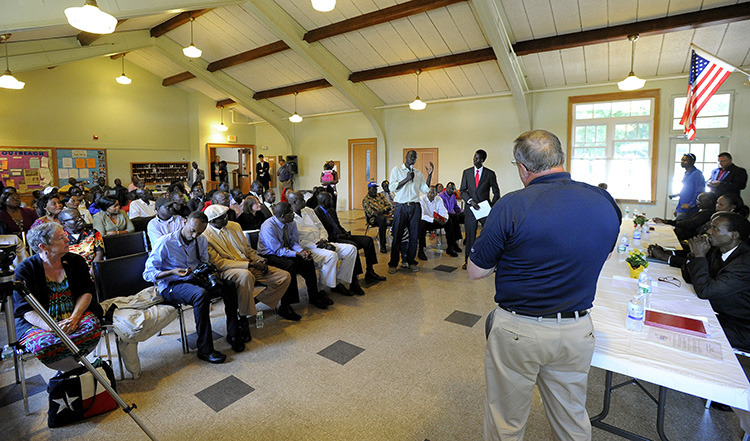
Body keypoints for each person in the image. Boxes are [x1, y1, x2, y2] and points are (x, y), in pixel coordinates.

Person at [468, 130, 621, 441]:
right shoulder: (603, 200)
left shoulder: (513, 205)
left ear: (523, 168)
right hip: (578, 329)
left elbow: (475, 270)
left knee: (506, 420)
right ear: (561, 159)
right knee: (572, 417)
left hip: (520, 330)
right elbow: (604, 253)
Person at [144, 211, 243, 363]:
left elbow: (203, 261)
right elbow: (147, 274)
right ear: (185, 223)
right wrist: (172, 272)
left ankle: (234, 333)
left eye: (200, 232)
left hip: (193, 279)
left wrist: (207, 271)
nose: (195, 235)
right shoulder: (165, 242)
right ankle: (205, 349)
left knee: (229, 286)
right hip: (171, 284)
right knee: (200, 294)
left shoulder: (201, 240)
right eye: (192, 230)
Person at [13, 223, 103, 371]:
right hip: (40, 323)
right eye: (61, 238)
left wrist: (74, 319)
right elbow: (25, 310)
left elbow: (86, 292)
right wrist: (53, 328)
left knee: (91, 330)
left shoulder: (76, 261)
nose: (67, 239)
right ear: (43, 247)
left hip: (74, 314)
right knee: (46, 345)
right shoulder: (25, 270)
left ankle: (73, 373)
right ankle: (81, 373)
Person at [203, 204, 292, 341]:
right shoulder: (205, 236)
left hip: (249, 263)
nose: (226, 219)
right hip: (229, 269)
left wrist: (259, 260)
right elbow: (219, 263)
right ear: (213, 221)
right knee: (246, 275)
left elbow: (248, 249)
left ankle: (252, 302)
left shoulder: (234, 226)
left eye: (226, 215)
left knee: (284, 277)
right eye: (222, 218)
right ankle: (243, 317)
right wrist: (249, 264)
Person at [682, 212, 750, 350]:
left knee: (685, 327)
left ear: (734, 235)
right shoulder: (719, 249)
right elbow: (690, 277)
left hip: (740, 327)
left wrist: (700, 256)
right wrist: (694, 254)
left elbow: (704, 291)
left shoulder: (744, 264)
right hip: (719, 312)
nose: (709, 231)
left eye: (715, 229)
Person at [257, 202, 331, 312]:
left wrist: (302, 252)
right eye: (291, 213)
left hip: (286, 250)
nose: (293, 214)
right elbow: (277, 250)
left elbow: (294, 242)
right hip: (269, 254)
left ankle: (314, 296)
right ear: (282, 216)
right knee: (289, 265)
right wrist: (297, 254)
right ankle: (286, 305)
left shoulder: (291, 222)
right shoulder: (268, 226)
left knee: (307, 261)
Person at [288, 191, 364, 296]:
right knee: (331, 256)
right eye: (302, 199)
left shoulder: (309, 211)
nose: (305, 201)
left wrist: (323, 239)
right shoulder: (290, 218)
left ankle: (338, 282)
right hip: (309, 248)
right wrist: (318, 245)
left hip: (322, 241)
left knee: (351, 249)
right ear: (294, 202)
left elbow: (321, 227)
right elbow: (297, 241)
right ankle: (321, 289)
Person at [315, 191, 386, 283]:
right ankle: (354, 278)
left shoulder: (331, 210)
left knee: (367, 240)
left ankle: (370, 271)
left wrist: (345, 233)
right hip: (332, 239)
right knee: (354, 246)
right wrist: (339, 235)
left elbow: (338, 225)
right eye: (330, 200)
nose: (332, 201)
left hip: (341, 235)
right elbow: (323, 233)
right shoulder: (316, 213)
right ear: (324, 201)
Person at [387, 150, 433, 273]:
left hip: (414, 207)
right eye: (411, 156)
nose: (413, 159)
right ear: (406, 157)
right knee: (397, 235)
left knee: (414, 236)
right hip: (401, 207)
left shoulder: (418, 173)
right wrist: (407, 179)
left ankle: (411, 261)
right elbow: (392, 187)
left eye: (415, 157)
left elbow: (425, 189)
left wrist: (429, 175)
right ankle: (393, 263)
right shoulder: (396, 170)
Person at [459, 149, 500, 270]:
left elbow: (496, 192)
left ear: (482, 160)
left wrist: (491, 206)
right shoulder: (466, 172)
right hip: (471, 209)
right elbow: (462, 191)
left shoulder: (490, 173)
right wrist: (470, 201)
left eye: (477, 158)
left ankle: (491, 261)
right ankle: (468, 261)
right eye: (474, 157)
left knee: (489, 234)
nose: (474, 160)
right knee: (470, 235)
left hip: (484, 210)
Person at [417, 185, 458, 259]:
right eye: (429, 192)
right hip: (427, 221)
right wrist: (433, 219)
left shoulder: (438, 199)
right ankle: (421, 250)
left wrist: (444, 219)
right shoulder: (421, 199)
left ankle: (450, 248)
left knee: (449, 222)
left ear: (436, 193)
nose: (431, 194)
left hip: (437, 220)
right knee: (421, 224)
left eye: (433, 193)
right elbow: (421, 215)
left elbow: (444, 211)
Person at [362, 181, 393, 254]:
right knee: (382, 220)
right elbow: (370, 213)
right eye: (373, 189)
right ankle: (383, 244)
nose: (375, 191)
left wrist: (383, 210)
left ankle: (400, 241)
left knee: (398, 217)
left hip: (384, 214)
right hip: (373, 219)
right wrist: (380, 212)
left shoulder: (380, 196)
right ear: (369, 189)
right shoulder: (366, 200)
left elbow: (388, 205)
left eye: (376, 189)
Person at [672, 153, 706, 219]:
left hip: (690, 210)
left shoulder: (697, 174)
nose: (682, 162)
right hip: (682, 207)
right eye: (682, 160)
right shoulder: (687, 173)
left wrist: (691, 205)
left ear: (692, 162)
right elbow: (685, 191)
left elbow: (700, 191)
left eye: (685, 160)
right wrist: (677, 208)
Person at [439, 182, 464, 252]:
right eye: (450, 189)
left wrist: (462, 212)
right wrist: (454, 214)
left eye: (453, 189)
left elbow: (456, 207)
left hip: (452, 215)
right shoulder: (441, 196)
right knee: (454, 218)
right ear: (446, 188)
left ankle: (466, 240)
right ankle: (454, 244)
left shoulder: (453, 196)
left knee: (465, 217)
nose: (451, 190)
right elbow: (443, 210)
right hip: (444, 215)